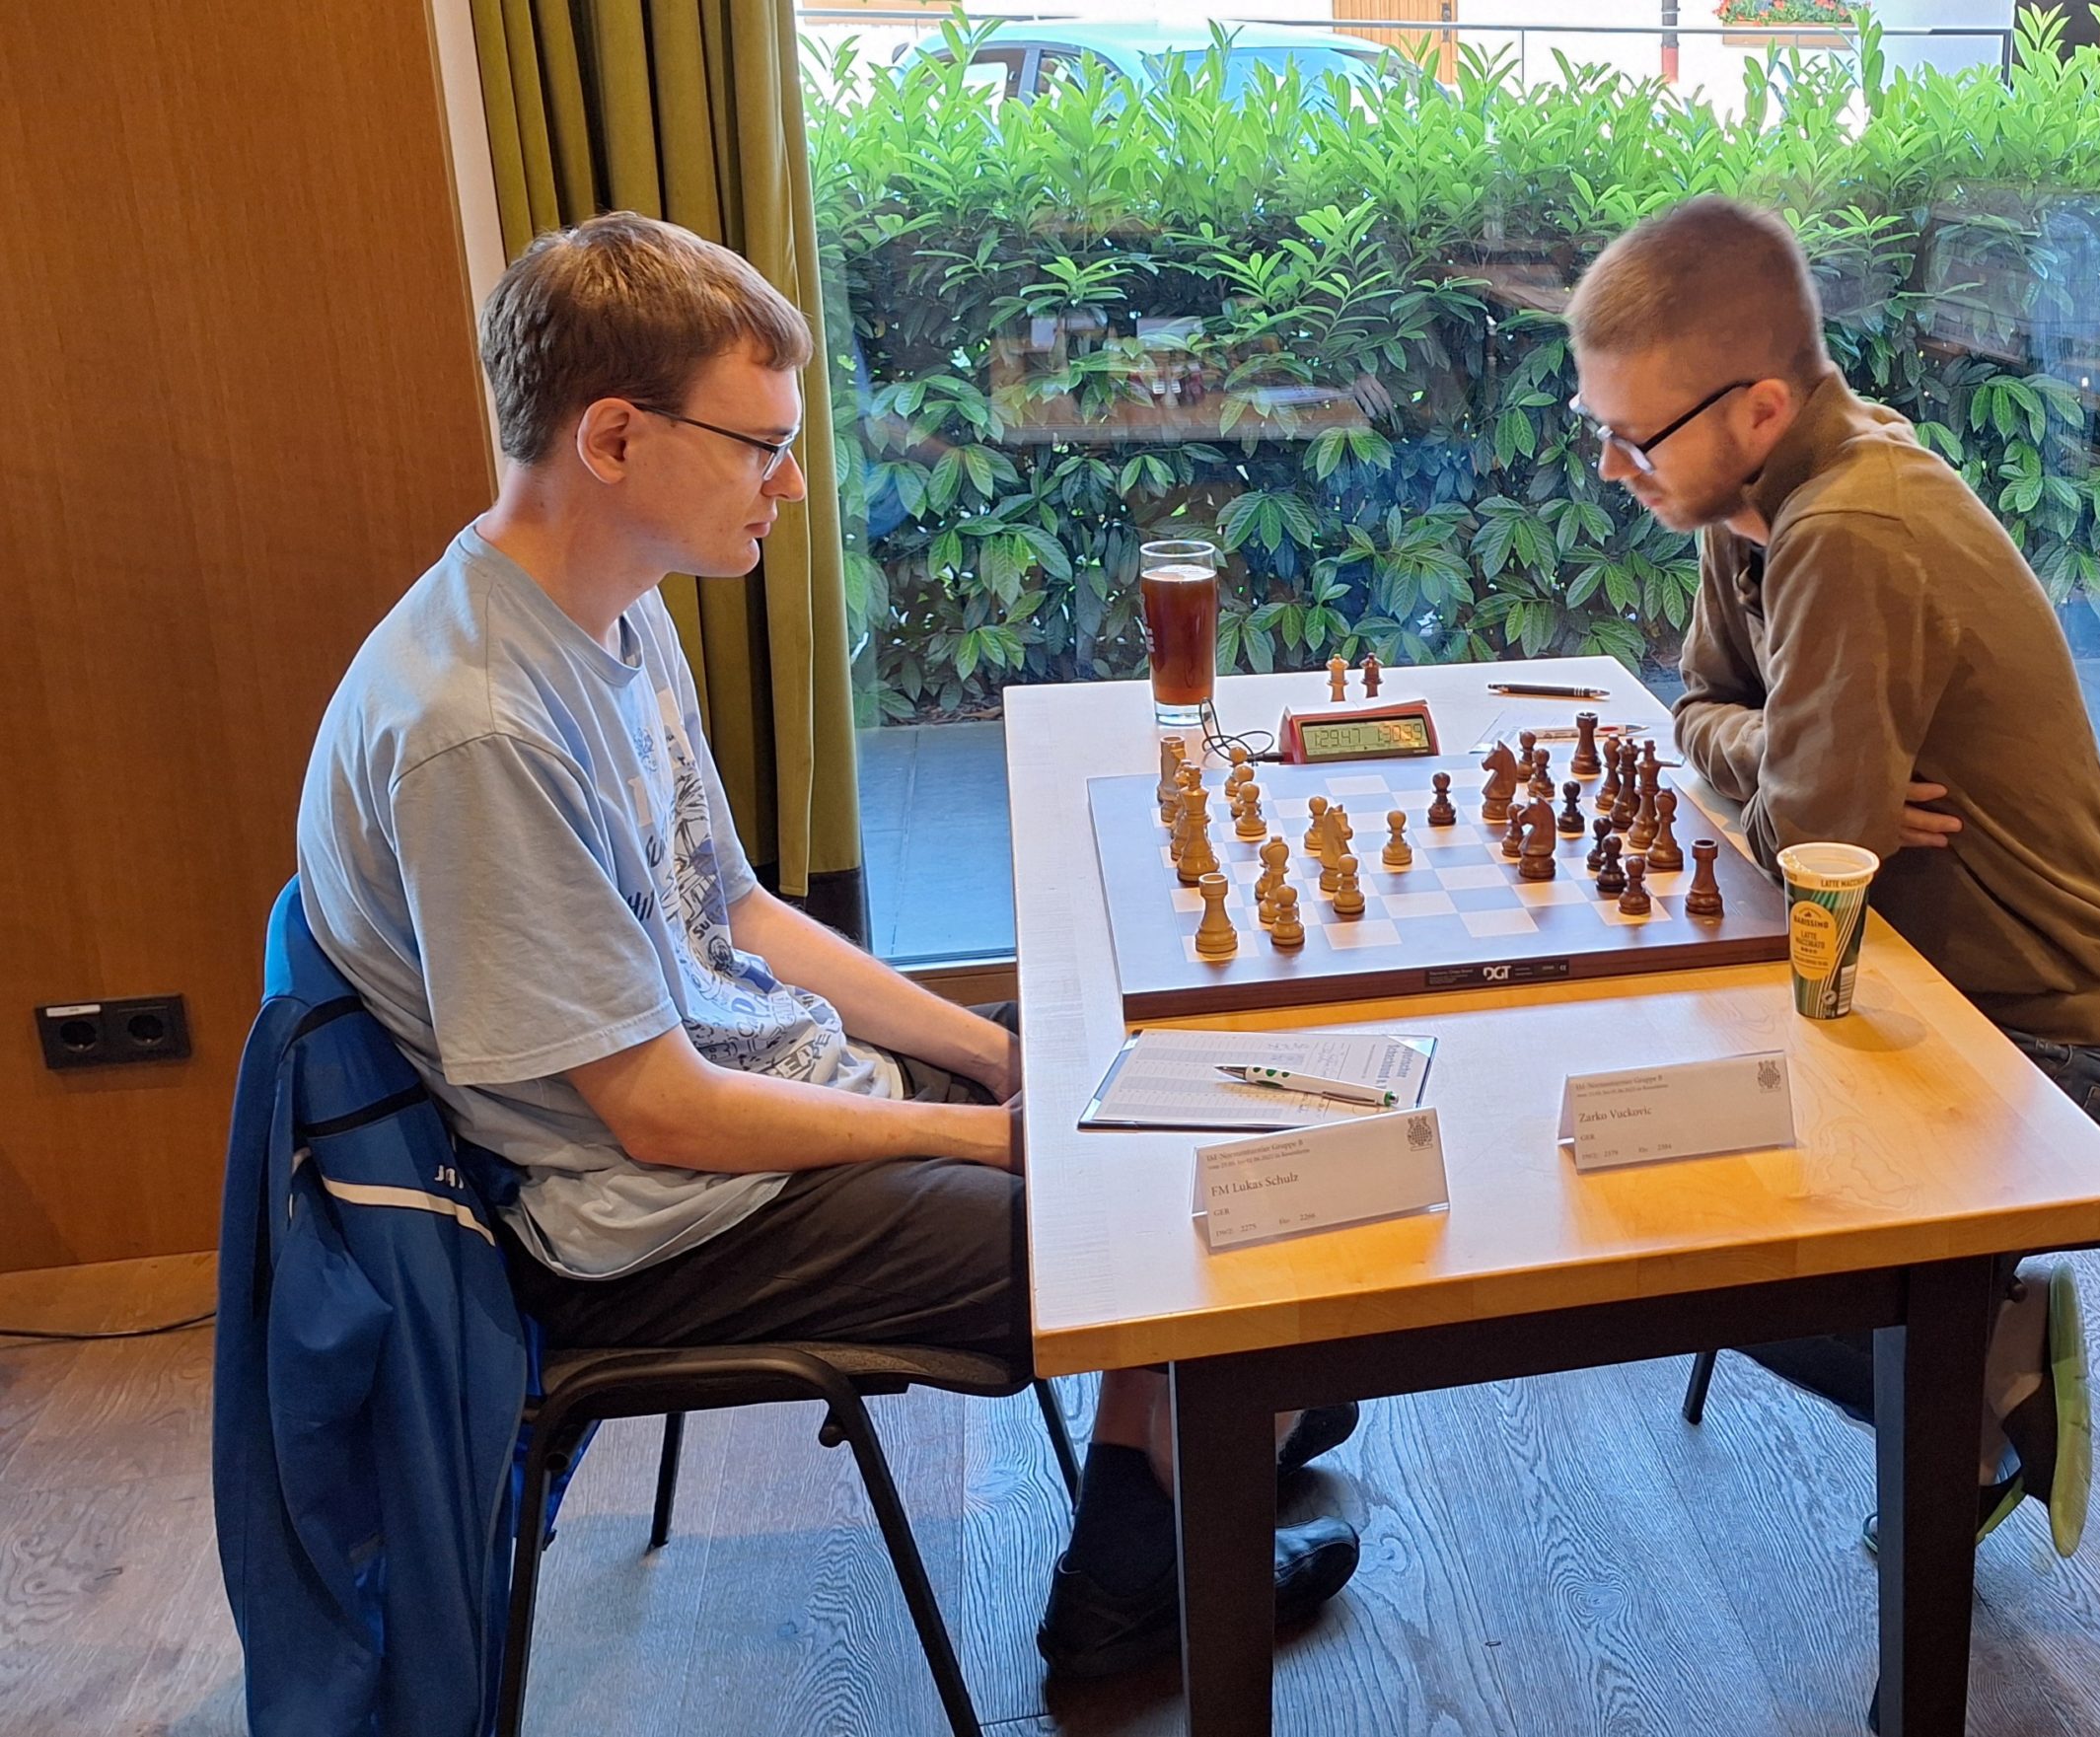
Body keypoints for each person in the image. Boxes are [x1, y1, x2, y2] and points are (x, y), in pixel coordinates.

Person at [295, 211, 1358, 1681]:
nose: (791, 483)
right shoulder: (476, 729)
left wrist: (999, 1057)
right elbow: (655, 1113)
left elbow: (733, 911)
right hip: (651, 1220)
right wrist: (991, 1139)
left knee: (1139, 1085)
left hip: (739, 1101)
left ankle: (1203, 1430)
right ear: (613, 439)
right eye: (761, 445)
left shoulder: (610, 611)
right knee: (1165, 1219)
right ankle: (1138, 1578)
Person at [1566, 196, 2100, 1564]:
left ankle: (1986, 1353)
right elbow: (1700, 712)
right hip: (1902, 980)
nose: (1611, 467)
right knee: (1622, 1146)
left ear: (1760, 408)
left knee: (1651, 1227)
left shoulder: (1849, 523)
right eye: (1593, 425)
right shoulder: (1738, 498)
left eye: (1634, 436)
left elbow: (1804, 848)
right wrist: (1793, 752)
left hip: (2044, 1042)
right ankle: (1977, 1345)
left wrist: (1803, 778)